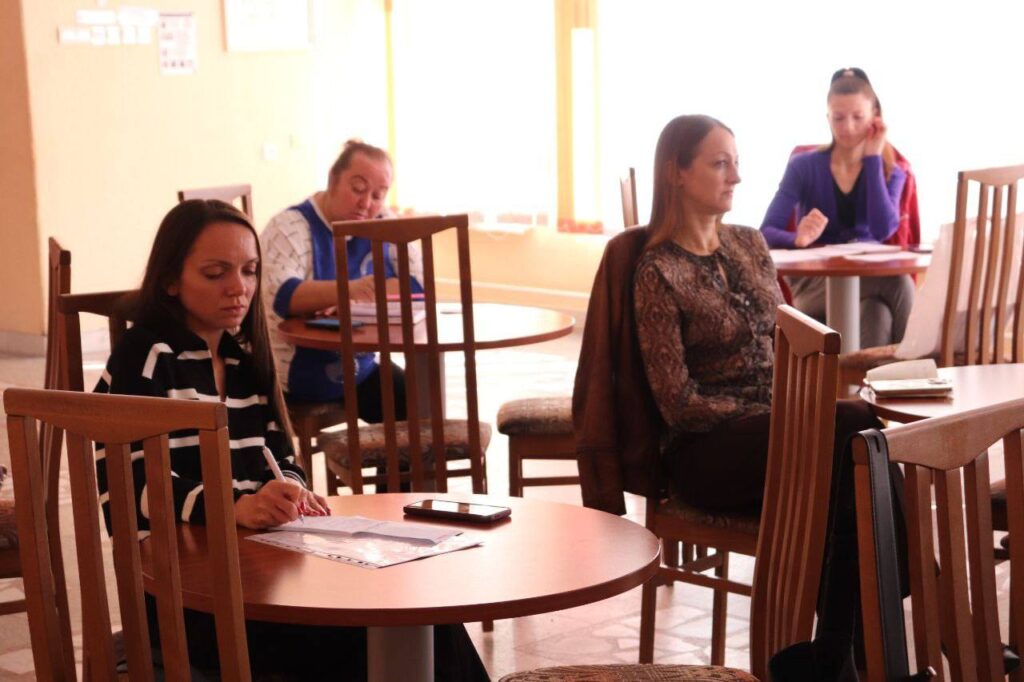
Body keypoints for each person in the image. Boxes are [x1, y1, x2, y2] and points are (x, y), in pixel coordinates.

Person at [95, 200, 489, 681]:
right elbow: (133, 488)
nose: (239, 288)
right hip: (190, 600)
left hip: (257, 576)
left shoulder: (242, 361)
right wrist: (235, 507)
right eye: (216, 273)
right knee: (401, 621)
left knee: (420, 607)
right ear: (170, 281)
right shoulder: (145, 355)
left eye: (249, 271)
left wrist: (291, 486)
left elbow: (280, 456)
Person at [634, 114, 895, 680]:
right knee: (853, 426)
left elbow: (783, 347)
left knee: (847, 486)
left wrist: (822, 388)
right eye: (719, 163)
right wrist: (775, 414)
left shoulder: (750, 243)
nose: (736, 176)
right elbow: (677, 403)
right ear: (677, 173)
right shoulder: (658, 270)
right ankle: (890, 626)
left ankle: (836, 660)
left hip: (777, 435)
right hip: (707, 453)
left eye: (736, 162)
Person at [261, 139, 422, 420]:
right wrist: (348, 290)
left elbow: (419, 283)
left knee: (419, 407)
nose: (366, 203)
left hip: (360, 366)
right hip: (292, 373)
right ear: (332, 180)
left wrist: (352, 294)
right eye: (358, 188)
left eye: (378, 195)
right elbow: (283, 296)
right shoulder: (289, 227)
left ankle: (392, 454)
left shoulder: (381, 221)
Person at [760, 68, 915, 349]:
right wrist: (797, 238)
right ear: (827, 118)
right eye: (838, 118)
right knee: (899, 283)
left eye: (858, 117)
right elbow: (766, 232)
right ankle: (914, 370)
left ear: (875, 117)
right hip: (814, 285)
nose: (848, 127)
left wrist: (872, 159)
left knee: (876, 312)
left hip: (867, 279)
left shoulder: (892, 170)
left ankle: (861, 379)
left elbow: (883, 229)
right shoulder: (804, 165)